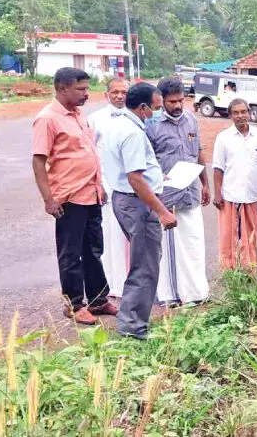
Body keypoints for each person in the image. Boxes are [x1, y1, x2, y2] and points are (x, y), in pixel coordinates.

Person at [32, 67, 115, 324]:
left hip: (91, 194)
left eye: (87, 88)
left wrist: (98, 184)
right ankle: (74, 304)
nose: (86, 94)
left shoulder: (79, 115)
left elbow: (87, 152)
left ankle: (99, 300)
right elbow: (38, 161)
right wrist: (49, 199)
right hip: (69, 197)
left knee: (93, 249)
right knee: (70, 254)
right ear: (62, 88)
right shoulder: (47, 119)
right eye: (81, 89)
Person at [102, 82, 177, 339]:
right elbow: (134, 179)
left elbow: (134, 172)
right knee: (145, 266)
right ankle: (133, 328)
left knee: (143, 262)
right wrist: (162, 211)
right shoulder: (133, 133)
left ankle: (133, 322)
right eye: (156, 108)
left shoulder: (120, 125)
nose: (157, 113)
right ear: (143, 107)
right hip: (138, 203)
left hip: (127, 198)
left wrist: (156, 177)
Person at [146, 77, 211, 306]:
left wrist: (205, 184)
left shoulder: (191, 120)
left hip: (191, 193)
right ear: (162, 100)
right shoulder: (151, 125)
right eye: (172, 101)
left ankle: (197, 293)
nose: (177, 105)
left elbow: (198, 152)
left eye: (181, 100)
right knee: (169, 250)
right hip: (166, 198)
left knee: (194, 244)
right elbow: (147, 162)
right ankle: (171, 296)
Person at [213, 98, 257, 272]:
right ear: (230, 116)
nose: (240, 116)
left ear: (249, 112)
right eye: (236, 113)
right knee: (229, 236)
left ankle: (249, 270)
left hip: (252, 195)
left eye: (243, 112)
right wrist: (217, 194)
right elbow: (218, 168)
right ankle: (229, 271)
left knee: (251, 236)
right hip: (230, 195)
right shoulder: (223, 138)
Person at [87, 77, 131, 297]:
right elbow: (90, 153)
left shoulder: (134, 118)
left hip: (131, 188)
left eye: (123, 92)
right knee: (108, 236)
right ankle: (112, 284)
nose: (120, 96)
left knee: (127, 237)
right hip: (106, 187)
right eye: (115, 92)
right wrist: (98, 184)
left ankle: (130, 283)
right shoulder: (95, 120)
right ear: (107, 95)